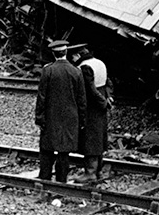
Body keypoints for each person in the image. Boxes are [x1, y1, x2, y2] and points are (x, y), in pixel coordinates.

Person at [35, 40, 87, 183]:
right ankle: (61, 181)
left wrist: (39, 118)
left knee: (47, 150)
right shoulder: (76, 71)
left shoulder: (48, 70)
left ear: (54, 54)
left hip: (51, 116)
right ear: (66, 53)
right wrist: (82, 120)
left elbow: (42, 97)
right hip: (70, 117)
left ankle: (44, 178)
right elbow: (82, 99)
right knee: (64, 152)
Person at [69, 44, 112, 183]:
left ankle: (90, 172)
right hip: (101, 105)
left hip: (91, 107)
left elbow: (90, 89)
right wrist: (108, 98)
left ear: (78, 55)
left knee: (90, 138)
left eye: (74, 56)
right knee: (99, 137)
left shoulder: (85, 67)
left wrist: (102, 102)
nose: (73, 59)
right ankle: (98, 171)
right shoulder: (100, 63)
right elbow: (108, 83)